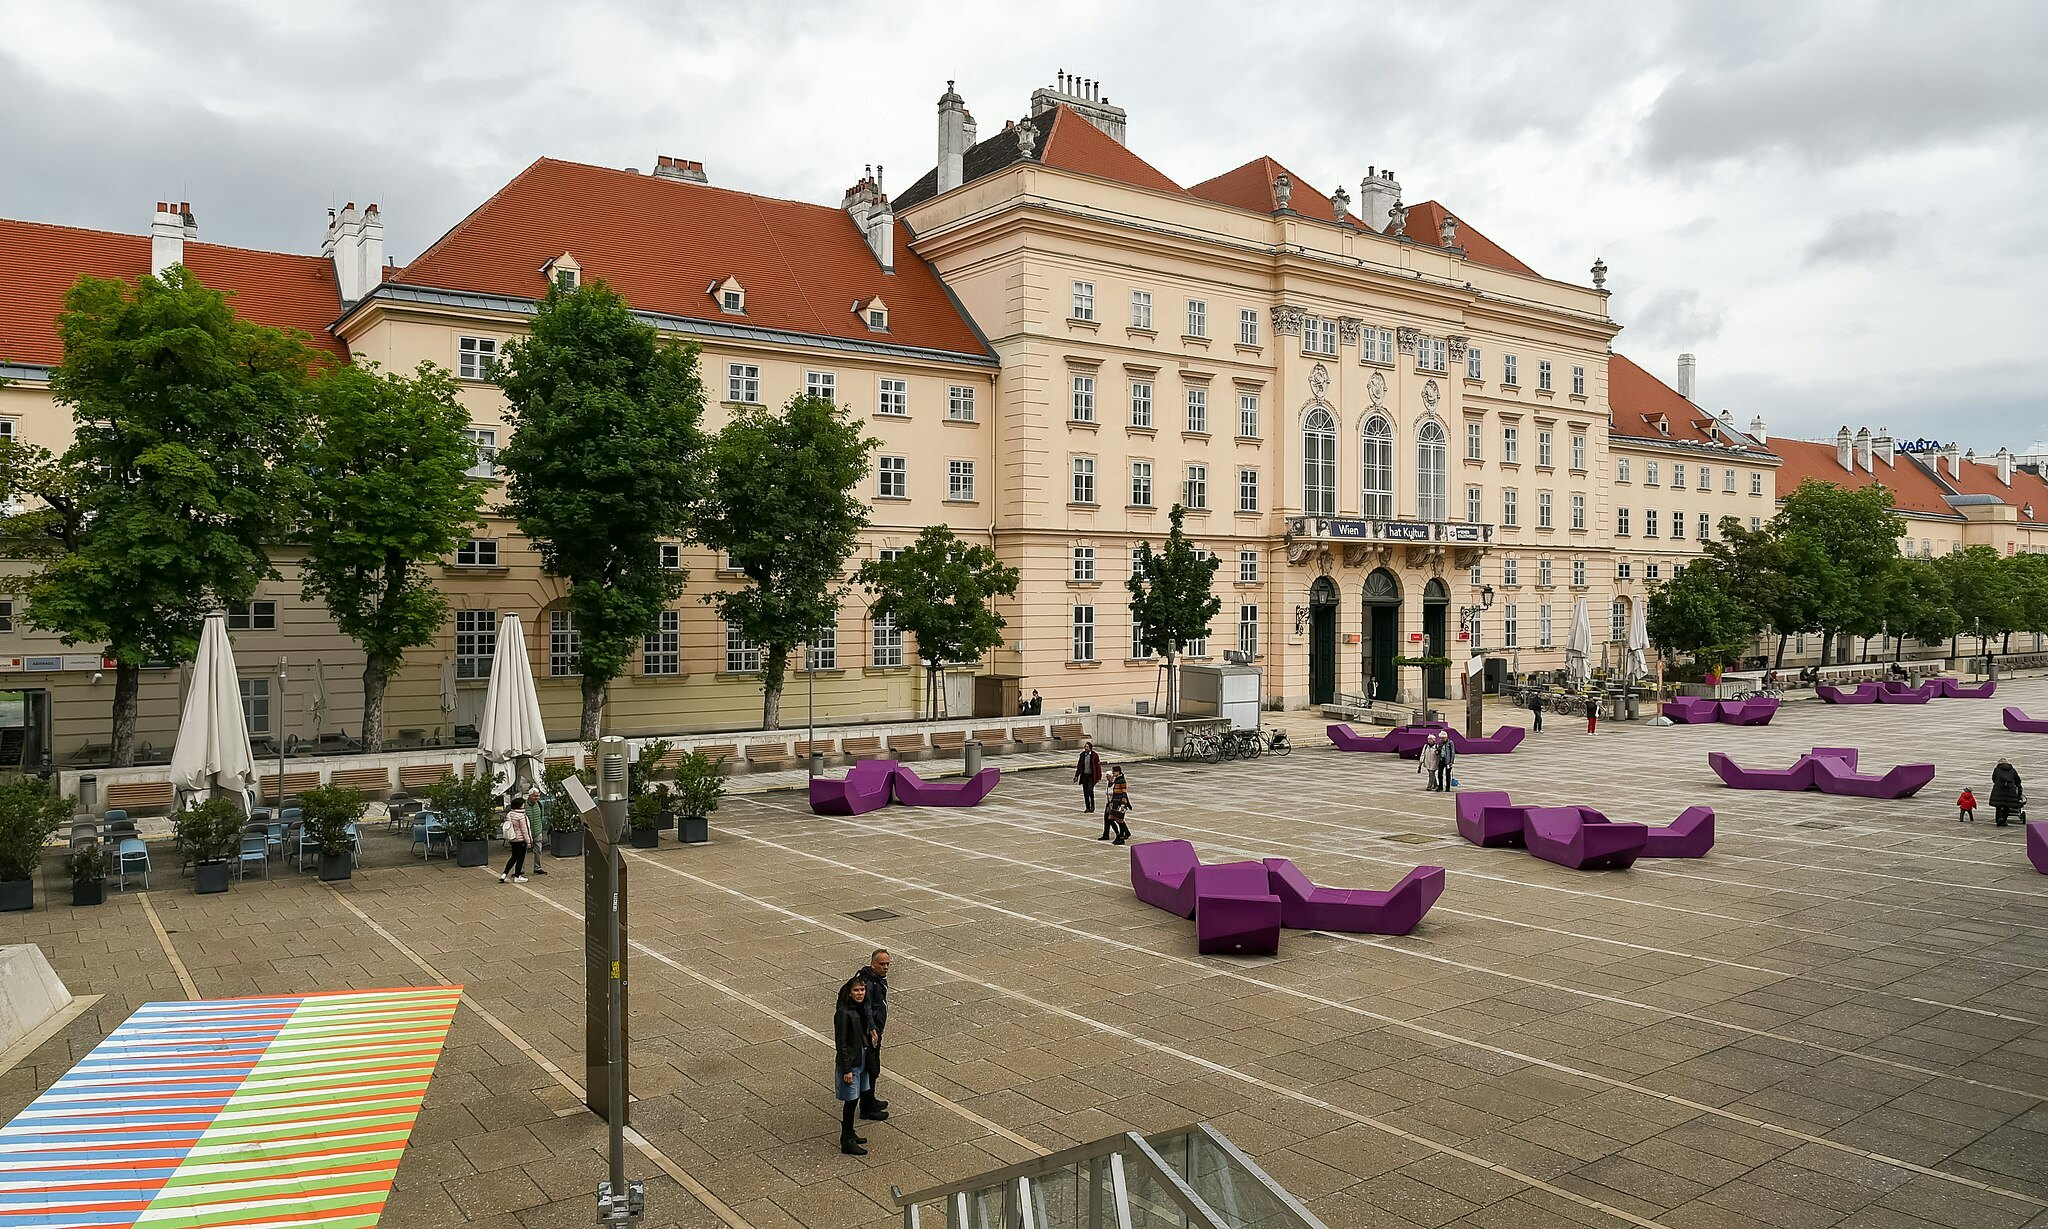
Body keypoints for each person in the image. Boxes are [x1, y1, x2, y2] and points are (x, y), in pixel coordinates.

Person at [833, 977, 872, 1156]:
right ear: (849, 993)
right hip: (851, 1062)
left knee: (856, 1097)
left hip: (860, 1057)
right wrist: (847, 1069)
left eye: (862, 990)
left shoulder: (859, 1008)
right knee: (851, 1100)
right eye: (856, 990)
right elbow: (841, 1043)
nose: (860, 993)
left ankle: (849, 1133)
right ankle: (847, 1139)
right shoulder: (843, 1013)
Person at [853, 950, 891, 1123]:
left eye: (887, 964)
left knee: (873, 1069)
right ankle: (866, 1108)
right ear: (873, 964)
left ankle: (871, 1100)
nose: (886, 967)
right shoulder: (868, 983)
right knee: (870, 1069)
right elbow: (867, 1007)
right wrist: (872, 1029)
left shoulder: (877, 980)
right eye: (882, 964)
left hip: (875, 1030)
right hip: (870, 1034)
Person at [498, 793, 532, 884]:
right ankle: (517, 876)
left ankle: (504, 873)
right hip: (521, 840)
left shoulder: (510, 814)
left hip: (512, 839)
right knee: (520, 858)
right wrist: (528, 841)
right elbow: (524, 830)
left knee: (513, 857)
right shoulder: (521, 816)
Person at [1102, 765, 1132, 844]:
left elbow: (1124, 792)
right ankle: (1118, 835)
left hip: (1120, 803)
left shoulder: (1121, 780)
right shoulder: (1117, 780)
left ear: (1118, 772)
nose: (1113, 773)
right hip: (1114, 803)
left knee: (1120, 820)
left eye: (1114, 772)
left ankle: (1121, 837)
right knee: (1111, 819)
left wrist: (1123, 803)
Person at [1989, 759, 2024, 827]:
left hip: (1999, 790)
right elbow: (2018, 780)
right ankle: (2004, 820)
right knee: (2007, 806)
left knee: (1998, 806)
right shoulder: (2012, 770)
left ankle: (1999, 818)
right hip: (2009, 791)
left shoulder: (1997, 770)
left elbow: (1994, 779)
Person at [1074, 740, 1103, 813]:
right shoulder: (1082, 755)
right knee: (1085, 792)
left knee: (1090, 791)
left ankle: (1092, 806)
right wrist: (1076, 775)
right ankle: (1087, 807)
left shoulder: (1094, 755)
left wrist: (1099, 777)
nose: (1085, 748)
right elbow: (1079, 766)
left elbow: (1098, 767)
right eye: (1085, 747)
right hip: (1084, 776)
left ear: (1090, 748)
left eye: (1087, 747)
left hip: (1091, 776)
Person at [525, 786, 548, 876]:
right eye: (535, 796)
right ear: (530, 796)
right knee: (522, 852)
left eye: (538, 796)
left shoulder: (539, 804)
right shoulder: (524, 805)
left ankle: (537, 867)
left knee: (538, 850)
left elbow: (541, 816)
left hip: (537, 830)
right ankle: (520, 870)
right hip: (526, 832)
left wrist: (540, 827)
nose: (537, 798)